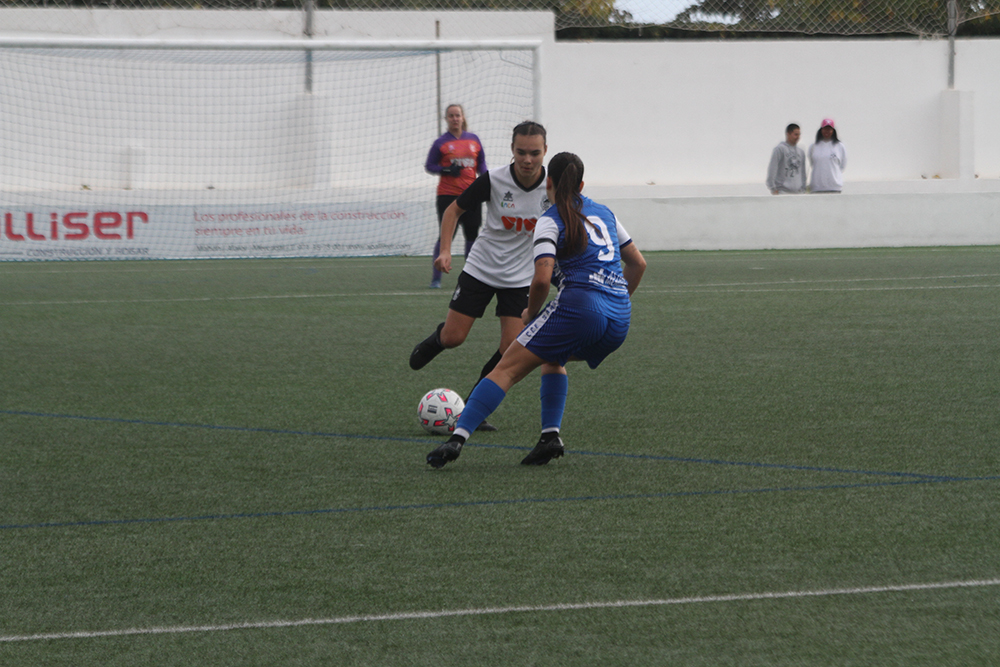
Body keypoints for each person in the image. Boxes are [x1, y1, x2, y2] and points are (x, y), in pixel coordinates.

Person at [426, 152, 647, 469]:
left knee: (506, 367)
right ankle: (549, 437)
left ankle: (456, 440)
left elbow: (542, 279)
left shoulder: (551, 219)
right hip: (619, 319)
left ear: (550, 184)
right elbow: (638, 264)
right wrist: (616, 299)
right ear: (582, 184)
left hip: (581, 309)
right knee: (552, 355)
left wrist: (530, 313)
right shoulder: (605, 213)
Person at [410, 121, 550, 432]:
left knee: (510, 348)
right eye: (521, 152)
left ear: (545, 152)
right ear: (512, 150)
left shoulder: (552, 187)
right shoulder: (494, 179)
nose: (528, 160)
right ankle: (438, 338)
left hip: (521, 277)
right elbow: (453, 211)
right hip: (482, 268)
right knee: (454, 338)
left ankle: (474, 407)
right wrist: (445, 250)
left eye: (535, 153)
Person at [425, 104, 488, 288]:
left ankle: (471, 277)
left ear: (462, 117)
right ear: (446, 119)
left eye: (457, 115)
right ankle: (436, 279)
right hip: (447, 195)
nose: (454, 118)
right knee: (446, 236)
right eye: (451, 116)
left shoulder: (474, 140)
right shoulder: (441, 143)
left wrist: (486, 179)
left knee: (472, 235)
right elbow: (430, 166)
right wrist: (446, 169)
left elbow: (481, 164)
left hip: (471, 195)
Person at [808, 118, 847, 193]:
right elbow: (812, 163)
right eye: (825, 129)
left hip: (834, 187)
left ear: (833, 131)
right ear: (821, 130)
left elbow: (842, 165)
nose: (827, 131)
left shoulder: (839, 146)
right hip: (817, 187)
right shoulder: (813, 146)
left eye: (829, 129)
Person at [766, 123, 806, 194]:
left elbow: (802, 172)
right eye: (796, 134)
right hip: (783, 192)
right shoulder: (780, 149)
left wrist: (803, 188)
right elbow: (772, 169)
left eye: (799, 134)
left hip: (798, 193)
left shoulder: (801, 152)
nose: (798, 137)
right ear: (788, 134)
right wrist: (773, 188)